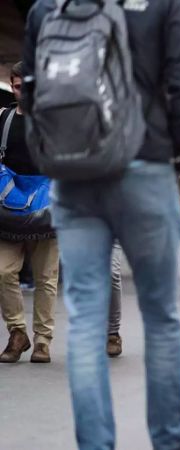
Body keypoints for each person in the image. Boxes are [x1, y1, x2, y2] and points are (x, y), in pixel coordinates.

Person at [23, 1, 180, 448]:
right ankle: (168, 442)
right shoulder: (162, 5)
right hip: (145, 166)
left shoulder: (47, 8)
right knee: (161, 317)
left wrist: (54, 155)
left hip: (74, 176)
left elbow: (30, 92)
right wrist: (178, 156)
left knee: (85, 321)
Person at [0, 61, 58, 364]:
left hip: (47, 207)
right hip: (9, 207)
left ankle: (42, 341)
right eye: (19, 86)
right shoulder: (3, 119)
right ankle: (17, 332)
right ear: (12, 86)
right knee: (2, 271)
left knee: (46, 277)